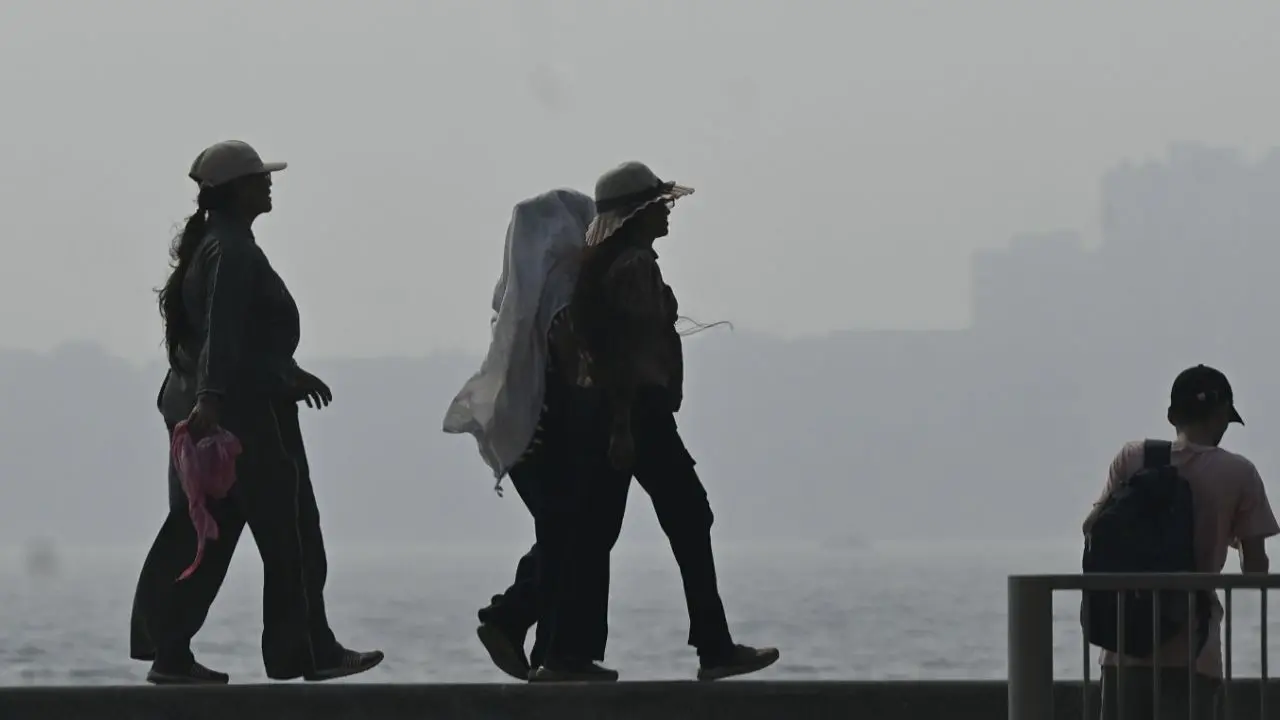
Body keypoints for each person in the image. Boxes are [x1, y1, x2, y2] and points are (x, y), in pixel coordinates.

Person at [128, 140, 383, 685]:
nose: (268, 184)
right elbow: (223, 332)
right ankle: (305, 652)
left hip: (223, 413)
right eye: (258, 178)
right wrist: (214, 399)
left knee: (204, 538)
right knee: (294, 535)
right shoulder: (232, 250)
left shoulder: (212, 247)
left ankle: (170, 653)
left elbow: (229, 340)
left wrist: (281, 376)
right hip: (242, 423)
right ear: (235, 190)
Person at [566, 160, 780, 681]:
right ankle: (713, 646)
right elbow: (622, 353)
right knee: (689, 517)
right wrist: (623, 426)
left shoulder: (612, 267)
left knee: (593, 530)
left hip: (625, 413)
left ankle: (553, 641)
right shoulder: (634, 268)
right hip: (637, 413)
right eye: (659, 206)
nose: (667, 213)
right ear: (638, 214)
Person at [445, 188, 619, 682]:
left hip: (528, 438)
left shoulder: (521, 292)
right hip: (560, 435)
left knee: (566, 537)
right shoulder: (567, 287)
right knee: (575, 539)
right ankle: (534, 634)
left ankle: (550, 648)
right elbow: (574, 366)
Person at [1084, 364, 1279, 720]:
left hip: (1124, 644)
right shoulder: (1239, 472)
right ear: (1222, 415)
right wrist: (1225, 538)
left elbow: (1092, 527)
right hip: (1193, 650)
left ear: (1173, 416)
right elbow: (1256, 567)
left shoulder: (1133, 457)